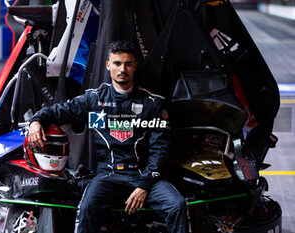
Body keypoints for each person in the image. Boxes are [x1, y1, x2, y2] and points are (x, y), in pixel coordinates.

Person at [28, 40, 187, 233]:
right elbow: (57, 111)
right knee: (86, 209)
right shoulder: (94, 100)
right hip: (108, 176)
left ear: (135, 66)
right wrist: (36, 121)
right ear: (108, 65)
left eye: (128, 64)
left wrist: (144, 185)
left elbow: (160, 151)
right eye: (117, 63)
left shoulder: (152, 104)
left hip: (144, 176)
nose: (123, 69)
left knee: (177, 205)